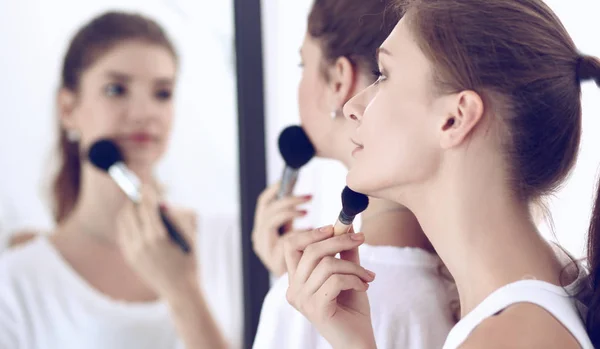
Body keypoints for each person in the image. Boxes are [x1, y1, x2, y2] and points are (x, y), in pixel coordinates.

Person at [283, 0, 600, 348]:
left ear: (455, 118)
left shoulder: (508, 337)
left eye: (383, 76)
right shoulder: (547, 290)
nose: (353, 107)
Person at [0, 11, 227, 349]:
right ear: (68, 109)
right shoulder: (16, 282)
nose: (143, 112)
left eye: (162, 93)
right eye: (116, 89)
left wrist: (183, 291)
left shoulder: (228, 240)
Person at [252, 1, 457, 348]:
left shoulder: (328, 309)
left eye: (304, 63)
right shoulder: (463, 287)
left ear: (338, 80)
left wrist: (288, 297)